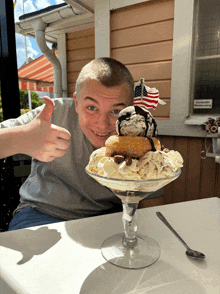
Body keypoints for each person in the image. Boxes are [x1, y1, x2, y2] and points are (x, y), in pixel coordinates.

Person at [0, 57, 134, 231]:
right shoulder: (53, 114)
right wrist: (24, 138)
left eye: (116, 111)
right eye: (91, 107)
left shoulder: (138, 134)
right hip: (42, 214)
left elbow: (151, 201)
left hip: (109, 217)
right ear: (77, 103)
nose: (102, 124)